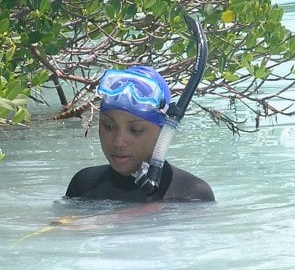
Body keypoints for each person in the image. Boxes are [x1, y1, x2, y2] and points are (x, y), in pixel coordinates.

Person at [65, 65, 215, 203]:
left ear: (164, 131)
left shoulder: (193, 194)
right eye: (109, 126)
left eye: (136, 130)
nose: (118, 142)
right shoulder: (84, 185)